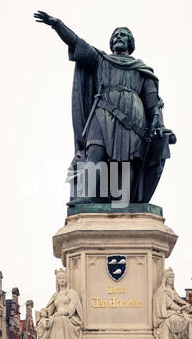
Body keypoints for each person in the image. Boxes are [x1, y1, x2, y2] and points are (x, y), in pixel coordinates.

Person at [34, 10, 176, 204]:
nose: (119, 37)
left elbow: (153, 102)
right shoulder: (100, 59)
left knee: (124, 161)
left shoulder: (142, 69)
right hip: (102, 111)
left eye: (124, 35)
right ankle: (87, 196)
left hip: (133, 117)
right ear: (111, 42)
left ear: (130, 43)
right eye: (116, 35)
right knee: (95, 150)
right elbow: (76, 42)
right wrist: (57, 24)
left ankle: (121, 204)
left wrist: (160, 126)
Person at [36, 268, 83, 339]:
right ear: (57, 281)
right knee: (42, 322)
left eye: (63, 278)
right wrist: (43, 312)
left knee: (58, 320)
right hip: (57, 316)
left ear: (66, 280)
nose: (62, 280)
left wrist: (62, 313)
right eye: (60, 278)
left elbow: (72, 309)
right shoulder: (55, 295)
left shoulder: (72, 293)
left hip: (69, 318)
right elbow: (49, 309)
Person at [153, 268, 192, 339]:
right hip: (167, 314)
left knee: (189, 319)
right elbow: (170, 304)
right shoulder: (162, 292)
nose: (172, 279)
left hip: (175, 311)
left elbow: (180, 301)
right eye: (170, 277)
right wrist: (180, 309)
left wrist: (188, 307)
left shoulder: (173, 291)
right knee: (178, 320)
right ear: (166, 279)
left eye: (173, 277)